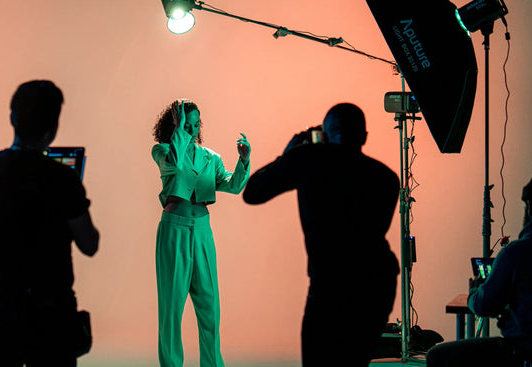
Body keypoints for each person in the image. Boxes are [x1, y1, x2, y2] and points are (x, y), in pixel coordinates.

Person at [242, 103, 399, 366]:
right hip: (377, 282)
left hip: (330, 285)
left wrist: (288, 155)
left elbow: (253, 192)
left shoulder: (308, 160)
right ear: (364, 137)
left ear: (325, 136)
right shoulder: (387, 177)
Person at [0, 80, 100, 367]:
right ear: (53, 127)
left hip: (3, 314)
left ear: (12, 117)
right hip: (54, 317)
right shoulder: (64, 180)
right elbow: (89, 244)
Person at [151, 99, 251, 367]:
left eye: (196, 124)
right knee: (172, 308)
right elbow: (175, 162)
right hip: (175, 230)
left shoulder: (210, 157)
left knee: (209, 307)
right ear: (175, 123)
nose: (193, 129)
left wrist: (243, 160)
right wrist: (179, 129)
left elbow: (232, 185)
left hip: (203, 232)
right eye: (187, 124)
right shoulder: (163, 150)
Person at [426, 166, 532, 366]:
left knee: (436, 356)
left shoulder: (517, 252)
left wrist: (474, 293)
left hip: (521, 353)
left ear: (530, 206)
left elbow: (483, 305)